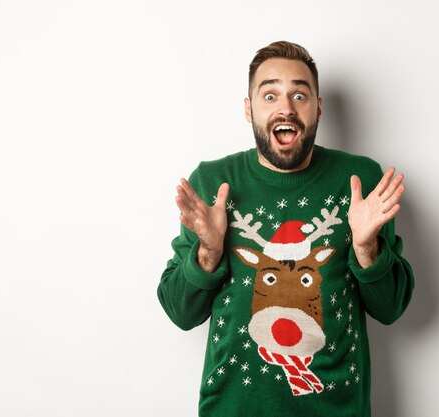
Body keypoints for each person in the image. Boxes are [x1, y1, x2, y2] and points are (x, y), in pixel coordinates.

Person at [157, 40, 414, 417]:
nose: (286, 108)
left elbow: (391, 307)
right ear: (249, 109)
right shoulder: (213, 183)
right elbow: (180, 311)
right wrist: (208, 254)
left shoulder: (360, 180)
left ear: (318, 107)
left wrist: (366, 248)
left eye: (299, 94)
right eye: (270, 94)